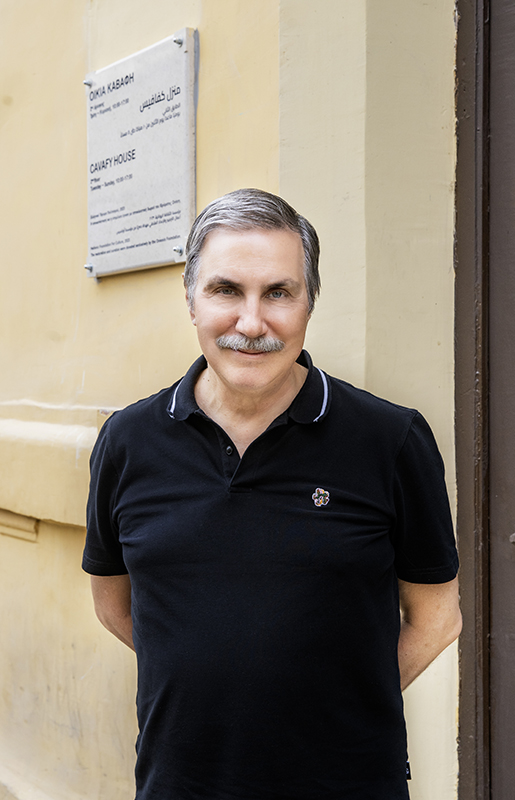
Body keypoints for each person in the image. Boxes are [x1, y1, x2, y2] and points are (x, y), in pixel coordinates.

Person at [83, 188, 462, 800]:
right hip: (179, 784)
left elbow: (438, 618)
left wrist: (332, 705)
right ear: (191, 300)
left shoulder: (390, 440)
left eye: (279, 293)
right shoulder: (128, 441)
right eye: (226, 290)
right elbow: (115, 606)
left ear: (310, 302)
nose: (252, 323)